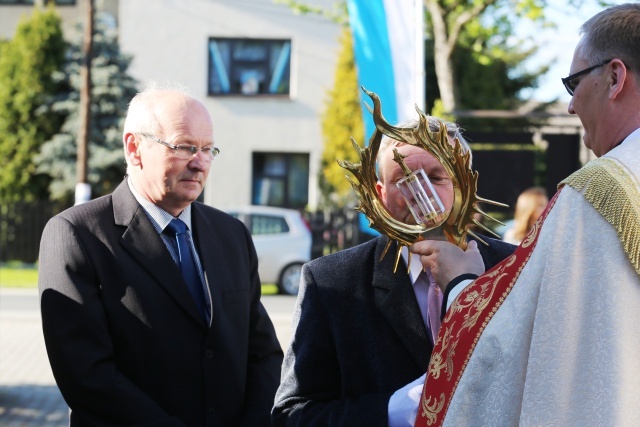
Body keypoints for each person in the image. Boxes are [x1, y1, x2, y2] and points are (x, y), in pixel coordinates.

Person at [411, 4, 640, 426]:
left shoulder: (602, 190)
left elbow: (511, 351)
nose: (570, 106)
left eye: (573, 84)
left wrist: (462, 282)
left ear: (615, 77)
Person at [38, 85, 283, 426]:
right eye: (184, 147)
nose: (199, 163)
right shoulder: (77, 234)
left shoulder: (232, 235)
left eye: (208, 149)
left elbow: (264, 353)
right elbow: (87, 376)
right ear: (134, 148)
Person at [271, 118, 516, 426]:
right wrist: (393, 410)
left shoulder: (517, 268)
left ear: (465, 183)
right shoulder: (332, 283)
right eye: (404, 179)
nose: (419, 193)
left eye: (436, 177)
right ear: (381, 194)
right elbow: (292, 415)